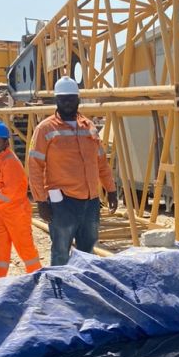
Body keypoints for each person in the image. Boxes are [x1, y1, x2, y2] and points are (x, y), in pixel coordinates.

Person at [28, 76, 118, 266]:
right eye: (63, 99)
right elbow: (35, 166)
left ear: (78, 99)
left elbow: (101, 162)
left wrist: (111, 190)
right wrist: (41, 201)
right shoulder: (45, 129)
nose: (67, 102)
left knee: (88, 252)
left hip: (91, 201)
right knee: (61, 252)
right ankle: (60, 290)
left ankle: (83, 289)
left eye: (71, 98)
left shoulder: (89, 127)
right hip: (62, 202)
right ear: (56, 100)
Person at [0, 121, 42, 278]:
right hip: (2, 212)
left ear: (6, 142)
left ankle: (38, 277)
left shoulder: (10, 162)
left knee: (26, 249)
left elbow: (9, 192)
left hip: (16, 213)